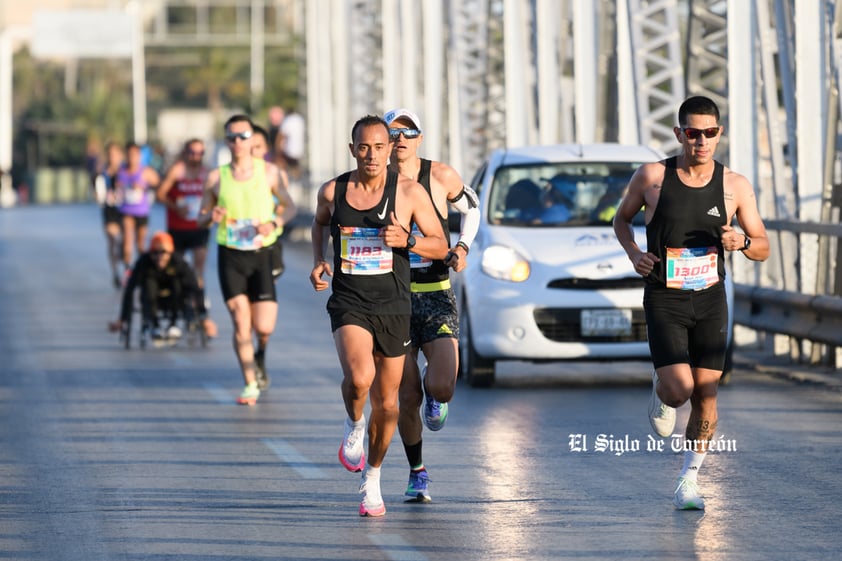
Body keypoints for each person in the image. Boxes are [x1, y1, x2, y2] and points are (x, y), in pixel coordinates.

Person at [612, 95, 769, 510]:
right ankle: (662, 388)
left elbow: (763, 246)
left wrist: (743, 241)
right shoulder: (652, 177)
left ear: (720, 135)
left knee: (707, 392)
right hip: (665, 296)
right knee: (680, 390)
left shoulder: (735, 185)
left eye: (710, 133)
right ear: (680, 134)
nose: (701, 141)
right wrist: (634, 254)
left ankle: (689, 479)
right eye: (693, 133)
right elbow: (621, 218)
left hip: (711, 298)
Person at [309, 114, 448, 517]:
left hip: (394, 305)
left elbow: (442, 245)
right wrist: (319, 260)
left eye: (379, 147)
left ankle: (372, 478)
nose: (371, 155)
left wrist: (409, 240)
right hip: (350, 300)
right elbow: (319, 224)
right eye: (363, 147)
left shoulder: (408, 193)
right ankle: (354, 424)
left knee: (388, 404)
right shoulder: (333, 191)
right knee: (359, 379)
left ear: (390, 150)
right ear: (352, 150)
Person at [383, 108, 480, 503]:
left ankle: (437, 396)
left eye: (409, 132)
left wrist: (462, 246)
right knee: (406, 396)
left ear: (420, 138)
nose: (401, 139)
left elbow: (471, 208)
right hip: (394, 299)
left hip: (436, 292)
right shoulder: (375, 182)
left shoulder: (439, 175)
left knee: (441, 383)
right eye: (394, 132)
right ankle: (417, 471)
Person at [197, 114, 290, 404]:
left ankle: (259, 352)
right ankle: (249, 383)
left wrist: (274, 223)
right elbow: (200, 217)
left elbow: (289, 207)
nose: (238, 142)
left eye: (243, 136)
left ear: (252, 140)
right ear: (226, 141)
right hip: (231, 254)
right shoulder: (216, 177)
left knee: (263, 326)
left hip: (261, 254)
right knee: (240, 320)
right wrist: (210, 217)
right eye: (232, 137)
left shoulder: (270, 172)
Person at [109, 231, 216, 341]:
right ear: (151, 252)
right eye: (155, 253)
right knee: (149, 282)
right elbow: (130, 289)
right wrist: (122, 319)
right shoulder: (144, 261)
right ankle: (154, 325)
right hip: (151, 299)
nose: (160, 257)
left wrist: (204, 316)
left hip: (175, 298)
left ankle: (173, 324)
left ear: (170, 253)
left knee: (178, 282)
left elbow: (195, 287)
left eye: (163, 253)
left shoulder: (178, 261)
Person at [156, 139, 211, 295]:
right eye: (192, 152)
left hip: (199, 227)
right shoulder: (177, 170)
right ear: (185, 153)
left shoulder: (206, 173)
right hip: (177, 227)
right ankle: (179, 297)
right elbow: (160, 194)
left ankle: (199, 302)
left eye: (200, 153)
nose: (196, 157)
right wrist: (176, 208)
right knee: (176, 268)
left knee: (199, 269)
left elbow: (216, 196)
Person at [251, 125, 297, 281]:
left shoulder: (276, 174)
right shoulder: (233, 176)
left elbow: (287, 206)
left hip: (269, 240)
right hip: (241, 243)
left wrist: (275, 218)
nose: (252, 152)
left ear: (266, 149)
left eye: (257, 147)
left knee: (265, 293)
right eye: (249, 147)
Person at [117, 142, 161, 283]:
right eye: (130, 154)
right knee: (127, 241)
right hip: (126, 210)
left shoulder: (145, 171)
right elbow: (116, 187)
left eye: (135, 155)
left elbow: (157, 183)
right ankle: (128, 269)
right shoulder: (122, 171)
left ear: (139, 156)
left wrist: (143, 186)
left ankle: (143, 270)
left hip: (142, 211)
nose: (132, 158)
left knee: (141, 244)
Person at [93, 141, 125, 288]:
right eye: (110, 154)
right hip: (109, 211)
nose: (113, 157)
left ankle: (126, 269)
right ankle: (115, 272)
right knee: (112, 240)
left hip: (125, 210)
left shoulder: (125, 171)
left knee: (124, 242)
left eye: (115, 154)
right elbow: (97, 193)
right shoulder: (102, 173)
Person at [277, 108, 306, 181]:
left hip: (289, 149)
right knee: (295, 166)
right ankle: (297, 181)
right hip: (299, 149)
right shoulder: (300, 119)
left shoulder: (288, 120)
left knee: (286, 166)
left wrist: (278, 147)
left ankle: (287, 181)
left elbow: (282, 134)